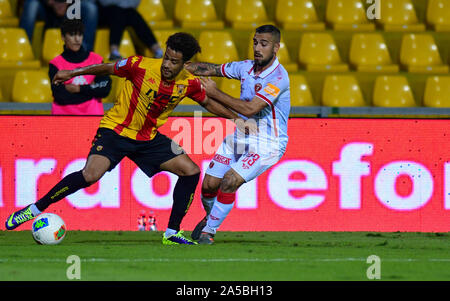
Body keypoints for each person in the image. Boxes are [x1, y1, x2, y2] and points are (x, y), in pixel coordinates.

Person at [5, 32, 246, 245]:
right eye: (166, 58)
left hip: (149, 139)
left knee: (191, 171)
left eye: (174, 62)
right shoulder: (139, 65)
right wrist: (72, 73)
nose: (167, 65)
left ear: (185, 64)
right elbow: (106, 68)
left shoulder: (188, 83)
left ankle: (172, 232)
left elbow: (208, 103)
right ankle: (34, 209)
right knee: (90, 175)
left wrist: (236, 119)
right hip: (115, 131)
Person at [184, 25, 291, 244]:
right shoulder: (245, 68)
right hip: (242, 136)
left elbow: (250, 109)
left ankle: (209, 232)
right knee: (208, 186)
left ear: (276, 47)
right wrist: (180, 66)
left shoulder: (279, 78)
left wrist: (214, 92)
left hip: (267, 144)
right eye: (255, 42)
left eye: (264, 44)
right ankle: (211, 218)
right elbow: (211, 69)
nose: (258, 48)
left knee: (229, 181)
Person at [49, 18, 111, 115]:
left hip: (92, 117)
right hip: (62, 118)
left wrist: (79, 89)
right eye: (72, 34)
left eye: (80, 34)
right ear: (63, 37)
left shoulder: (97, 60)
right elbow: (60, 96)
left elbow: (105, 89)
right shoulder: (55, 63)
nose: (77, 39)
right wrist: (91, 90)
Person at [19, 0, 98, 52]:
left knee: (90, 8)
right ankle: (22, 47)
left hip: (71, 7)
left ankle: (84, 51)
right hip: (47, 8)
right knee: (31, 4)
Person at [97, 0, 163, 60]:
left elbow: (135, 3)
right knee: (117, 13)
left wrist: (121, 4)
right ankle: (114, 51)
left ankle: (157, 50)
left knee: (134, 15)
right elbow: (104, 2)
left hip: (126, 11)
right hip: (105, 12)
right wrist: (123, 4)